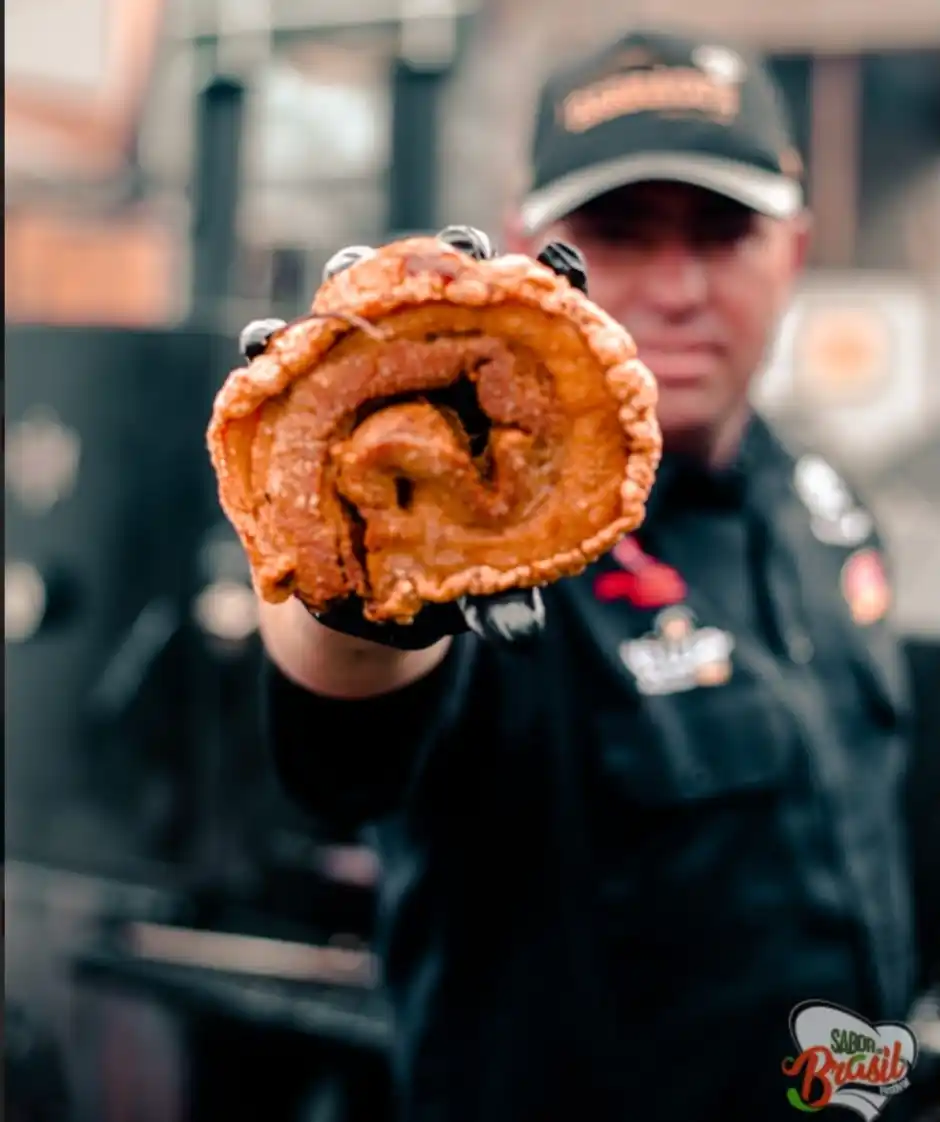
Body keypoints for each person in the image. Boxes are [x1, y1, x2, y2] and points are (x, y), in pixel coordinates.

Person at [255, 29, 919, 1122]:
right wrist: (354, 574)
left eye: (722, 232)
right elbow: (348, 734)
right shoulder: (493, 543)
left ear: (792, 252)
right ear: (527, 245)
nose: (675, 286)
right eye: (617, 232)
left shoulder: (822, 505)